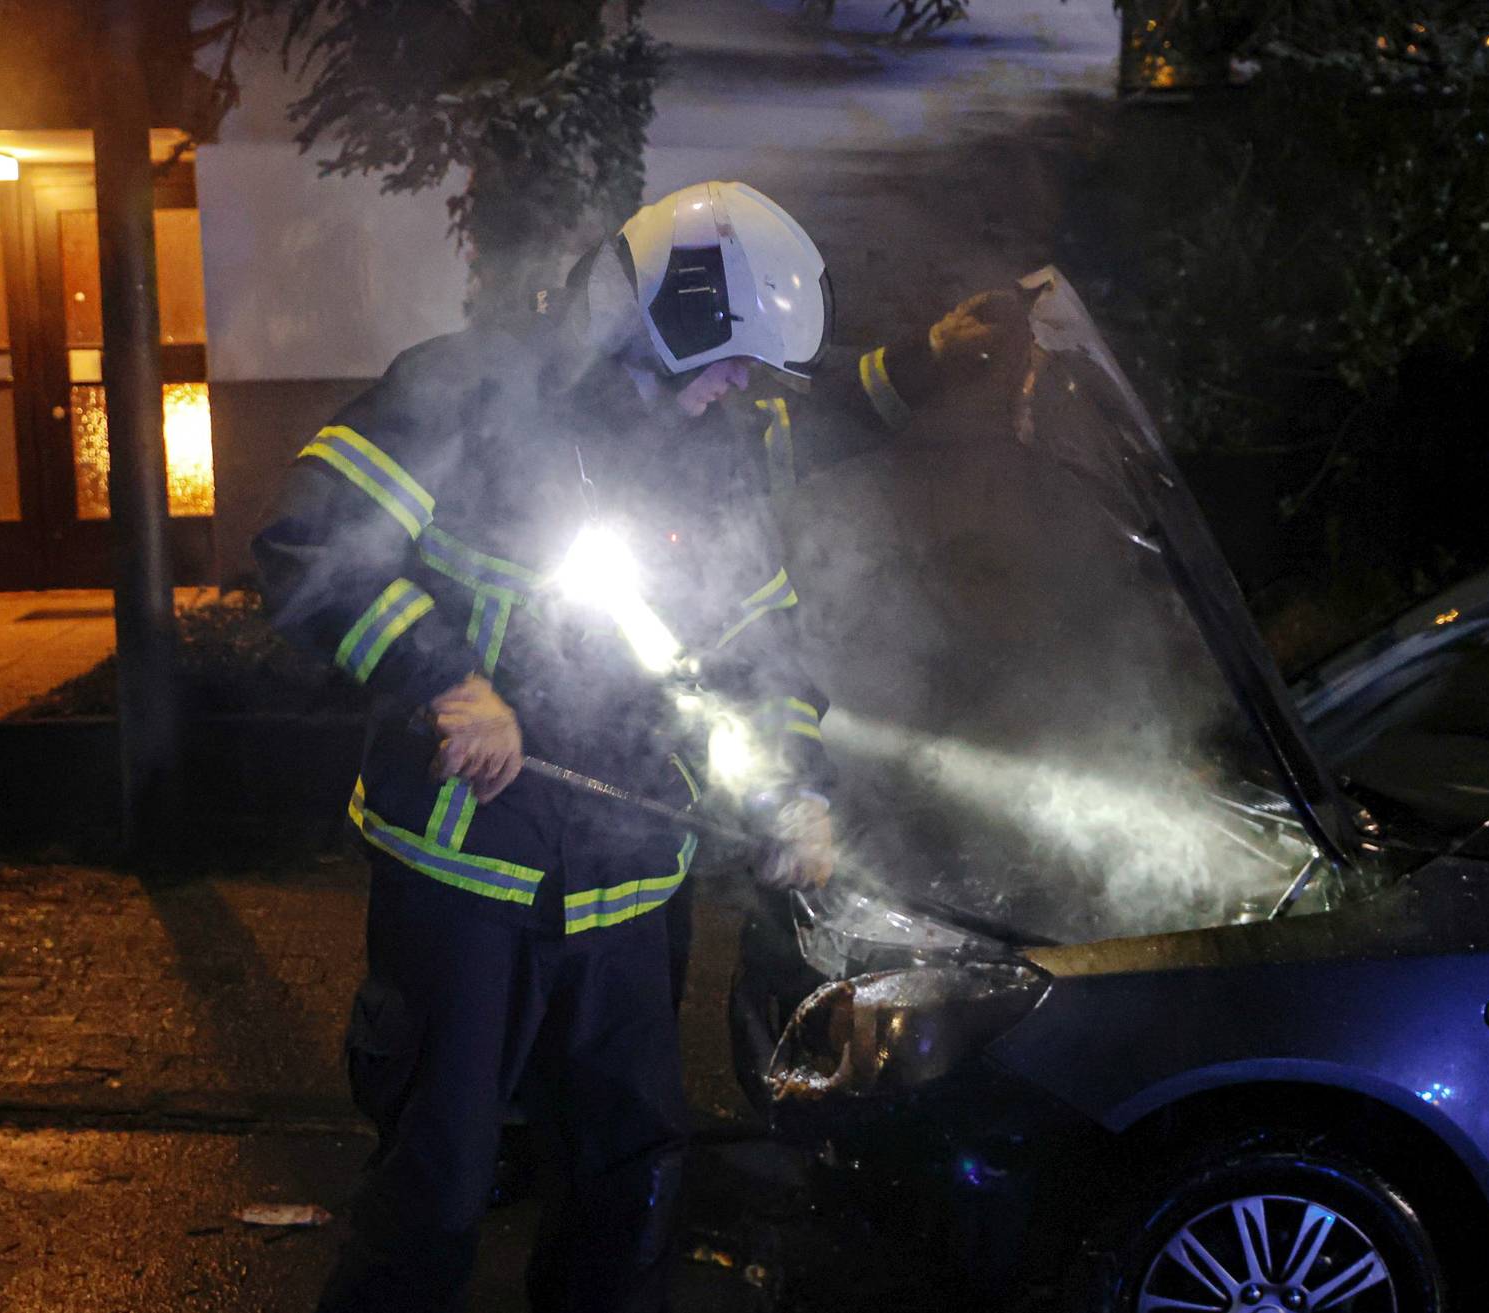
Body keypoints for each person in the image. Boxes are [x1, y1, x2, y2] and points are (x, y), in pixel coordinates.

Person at [255, 180, 1025, 1313]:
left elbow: (760, 649)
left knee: (631, 1184)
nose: (743, 389)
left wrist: (792, 794)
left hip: (628, 895)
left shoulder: (707, 454)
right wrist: (446, 681)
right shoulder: (470, 392)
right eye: (734, 361)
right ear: (669, 316)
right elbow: (308, 542)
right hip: (465, 886)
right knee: (437, 1188)